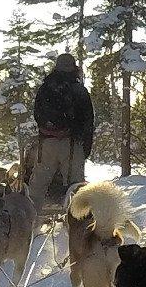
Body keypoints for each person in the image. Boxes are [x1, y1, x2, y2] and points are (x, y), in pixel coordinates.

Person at [25, 52, 94, 207]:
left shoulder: (45, 88)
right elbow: (88, 121)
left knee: (38, 185)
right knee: (76, 188)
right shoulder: (79, 90)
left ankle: (31, 220)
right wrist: (85, 148)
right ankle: (75, 222)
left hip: (46, 143)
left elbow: (37, 114)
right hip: (71, 144)